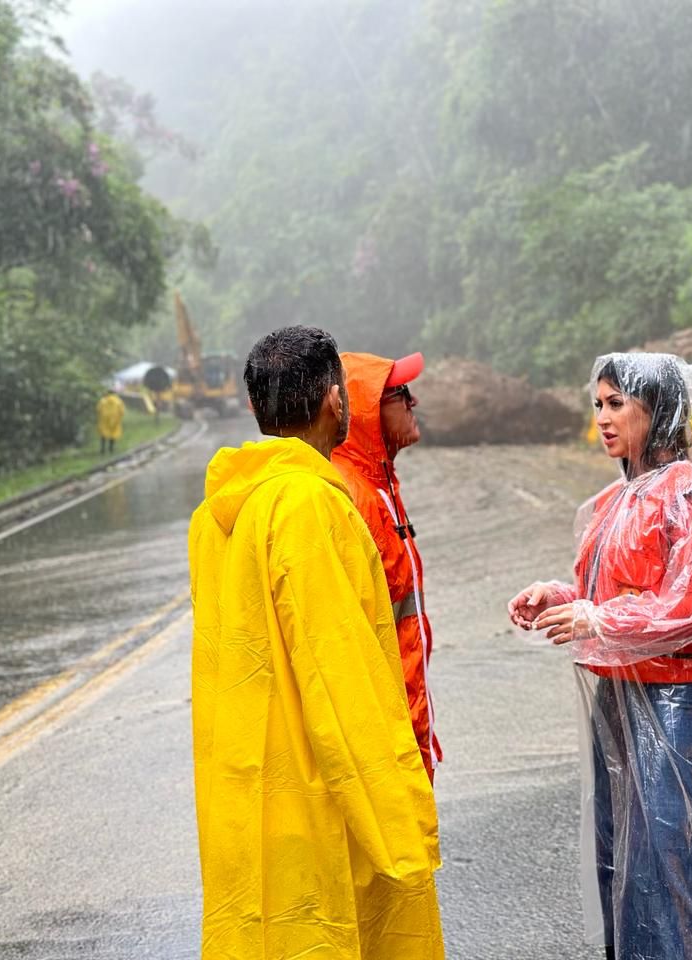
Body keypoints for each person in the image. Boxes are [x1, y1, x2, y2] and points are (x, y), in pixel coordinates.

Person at [188, 326, 444, 960]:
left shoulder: (218, 514)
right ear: (337, 401)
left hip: (246, 792)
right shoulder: (309, 507)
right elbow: (341, 677)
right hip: (314, 794)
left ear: (257, 409)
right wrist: (402, 822)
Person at [507, 353, 692, 960]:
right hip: (620, 699)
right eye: (598, 404)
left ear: (660, 409)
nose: (603, 418)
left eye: (617, 404)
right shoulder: (619, 498)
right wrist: (561, 598)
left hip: (676, 705)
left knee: (660, 872)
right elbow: (618, 594)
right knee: (618, 862)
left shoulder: (688, 495)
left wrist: (596, 618)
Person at [332, 351, 441, 781]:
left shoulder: (380, 486)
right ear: (365, 411)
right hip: (386, 738)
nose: (413, 402)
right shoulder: (353, 497)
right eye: (400, 394)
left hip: (406, 721)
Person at [96, 388, 125, 455]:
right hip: (115, 420)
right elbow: (122, 411)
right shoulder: (118, 401)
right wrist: (119, 418)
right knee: (113, 434)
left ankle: (102, 449)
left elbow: (98, 409)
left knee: (103, 434)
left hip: (104, 420)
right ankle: (111, 449)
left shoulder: (102, 400)